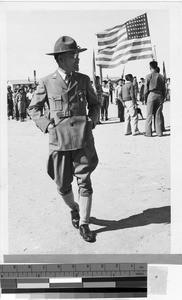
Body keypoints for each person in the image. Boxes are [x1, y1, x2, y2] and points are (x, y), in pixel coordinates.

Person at [29, 36, 100, 242]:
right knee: (62, 184)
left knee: (84, 181)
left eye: (77, 55)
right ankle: (75, 208)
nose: (77, 59)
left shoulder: (84, 80)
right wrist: (47, 125)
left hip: (82, 138)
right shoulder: (45, 82)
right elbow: (33, 108)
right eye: (73, 55)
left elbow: (95, 104)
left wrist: (92, 121)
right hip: (59, 140)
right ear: (60, 59)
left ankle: (85, 223)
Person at [144, 61, 166, 137]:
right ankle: (159, 132)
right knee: (158, 114)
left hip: (151, 94)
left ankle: (148, 133)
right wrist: (163, 97)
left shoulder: (148, 76)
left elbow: (146, 89)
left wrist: (145, 97)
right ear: (157, 67)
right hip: (160, 95)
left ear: (150, 67)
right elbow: (164, 88)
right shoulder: (161, 76)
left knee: (149, 114)